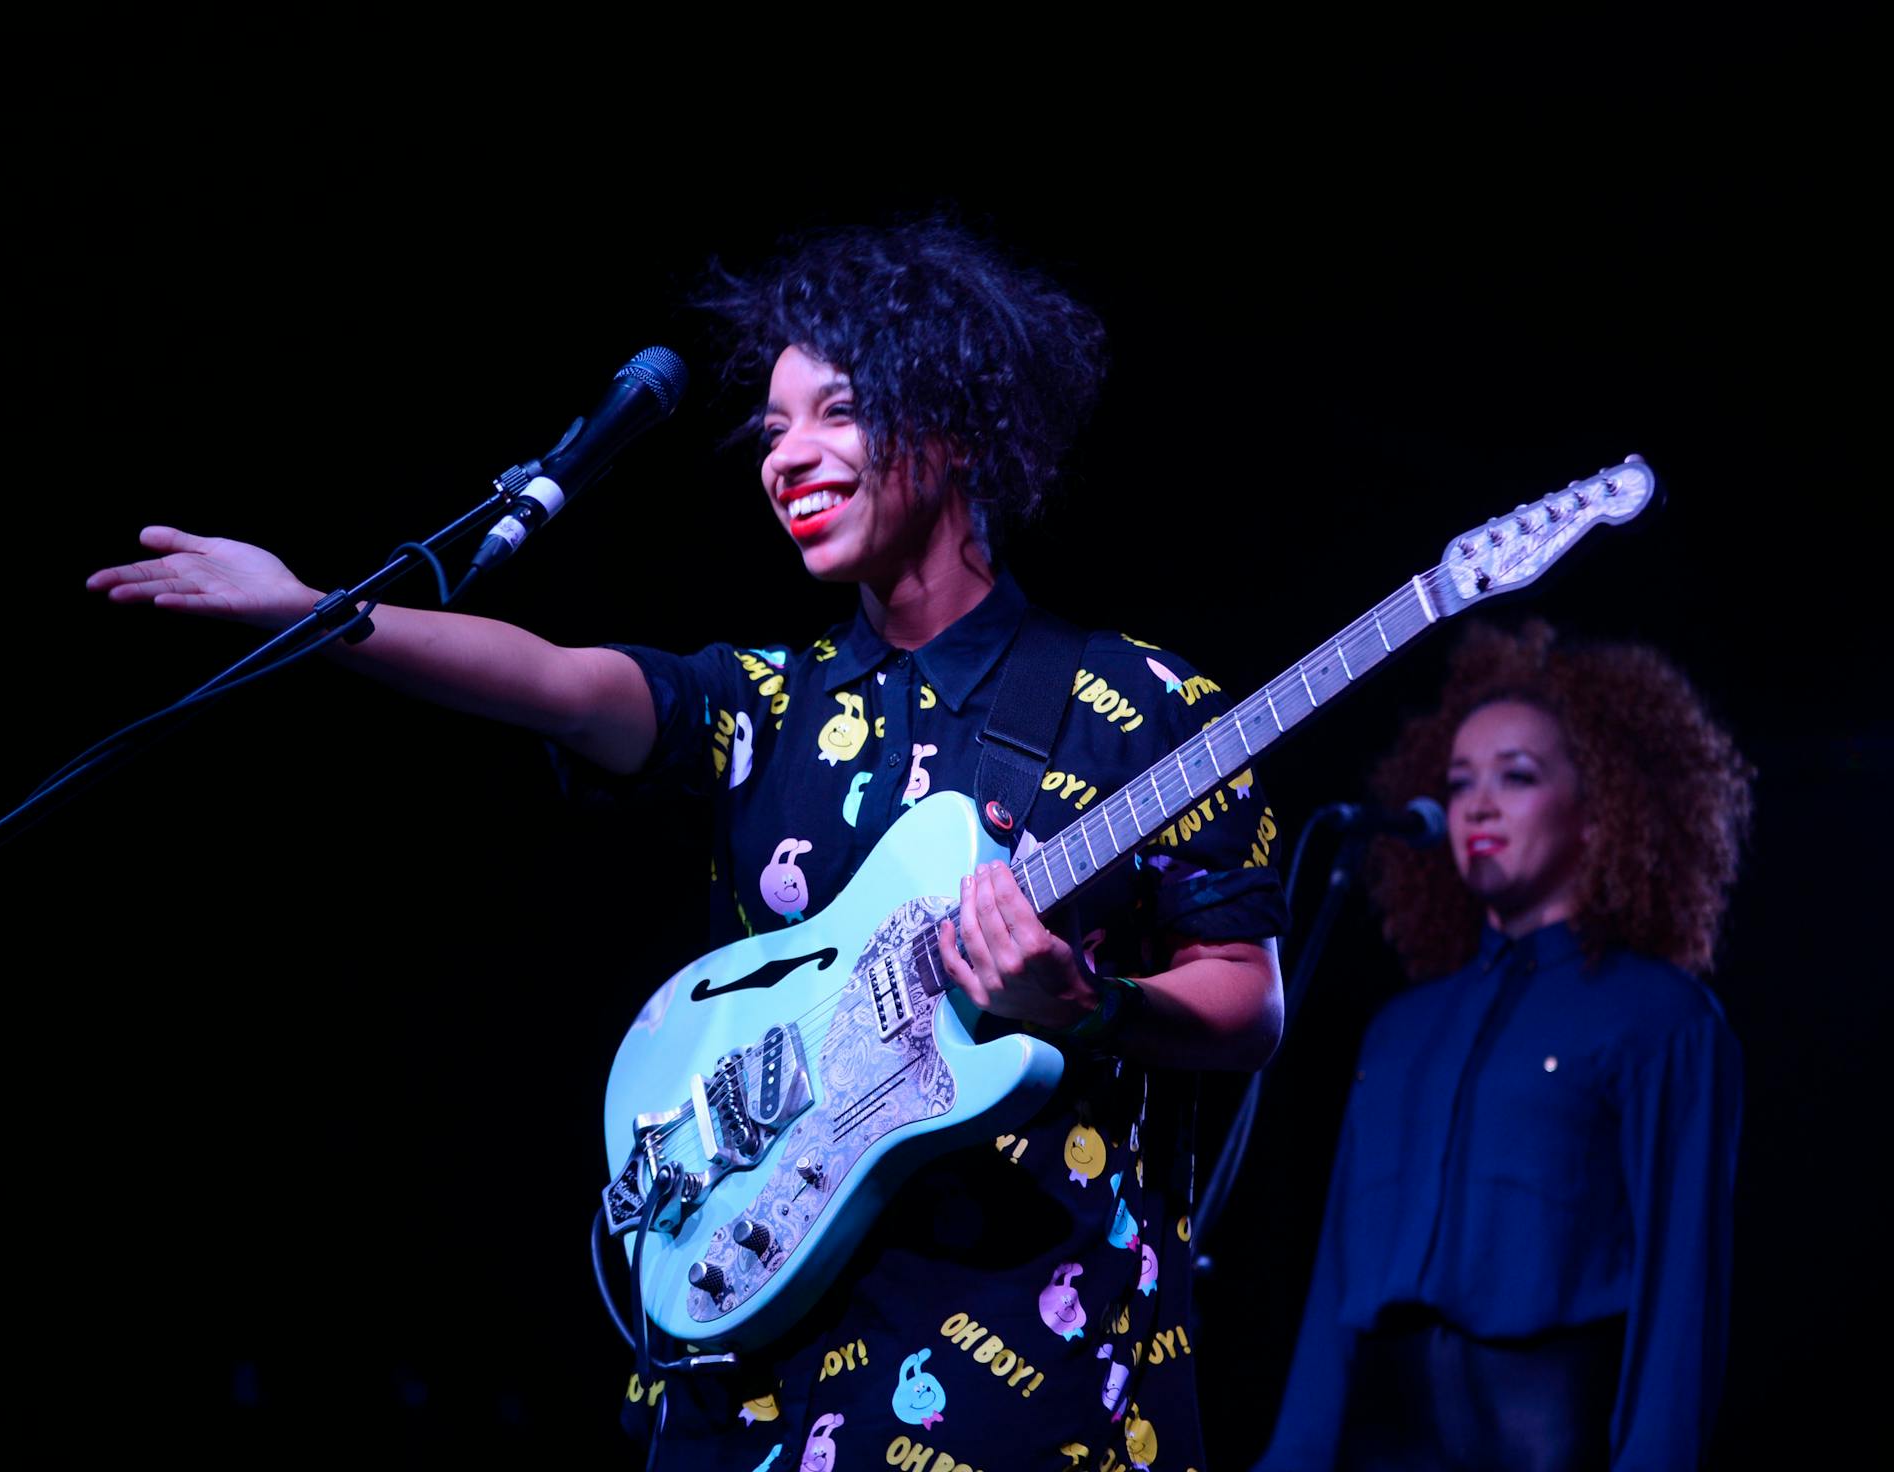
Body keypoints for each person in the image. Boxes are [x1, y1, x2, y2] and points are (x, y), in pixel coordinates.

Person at [91, 219, 1287, 1469]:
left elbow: (1245, 1002)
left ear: (956, 417)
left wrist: (1088, 1006)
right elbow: (554, 680)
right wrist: (318, 614)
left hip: (1021, 1347)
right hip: (758, 1344)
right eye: (773, 429)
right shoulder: (765, 703)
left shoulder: (1138, 699)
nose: (790, 457)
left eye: (836, 412)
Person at [1255, 621, 1751, 1472]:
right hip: (1383, 1437)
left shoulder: (1661, 1017)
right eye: (1459, 783)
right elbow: (1336, 1286)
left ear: (1603, 810)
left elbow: (1682, 1295)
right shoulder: (1400, 1030)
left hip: (1547, 1436)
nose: (1476, 805)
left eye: (1516, 777)